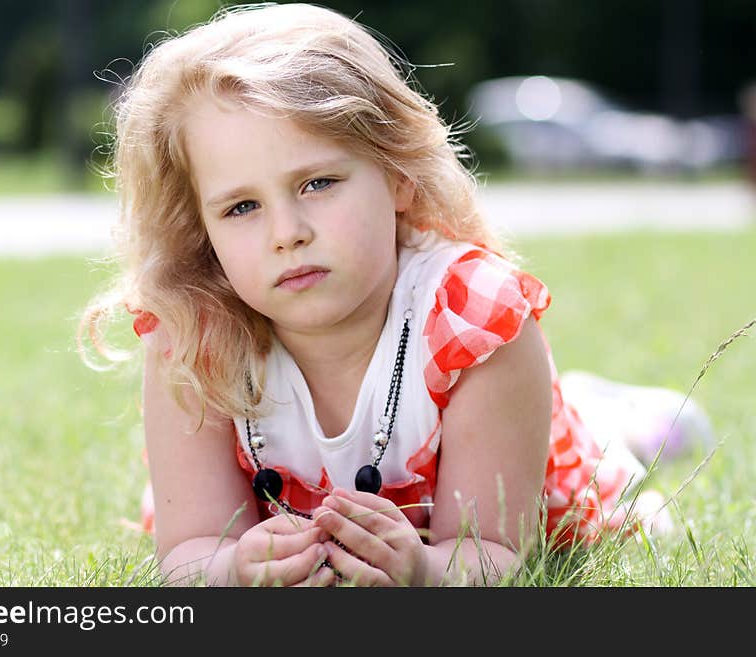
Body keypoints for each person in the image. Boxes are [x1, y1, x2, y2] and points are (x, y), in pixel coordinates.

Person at [79, 3, 713, 587]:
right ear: (201, 228)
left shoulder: (472, 323)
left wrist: (426, 570)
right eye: (241, 206)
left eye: (318, 183)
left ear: (398, 175)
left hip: (520, 464)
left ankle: (616, 420)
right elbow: (190, 552)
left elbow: (496, 551)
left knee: (629, 508)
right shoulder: (192, 334)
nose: (288, 234)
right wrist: (237, 570)